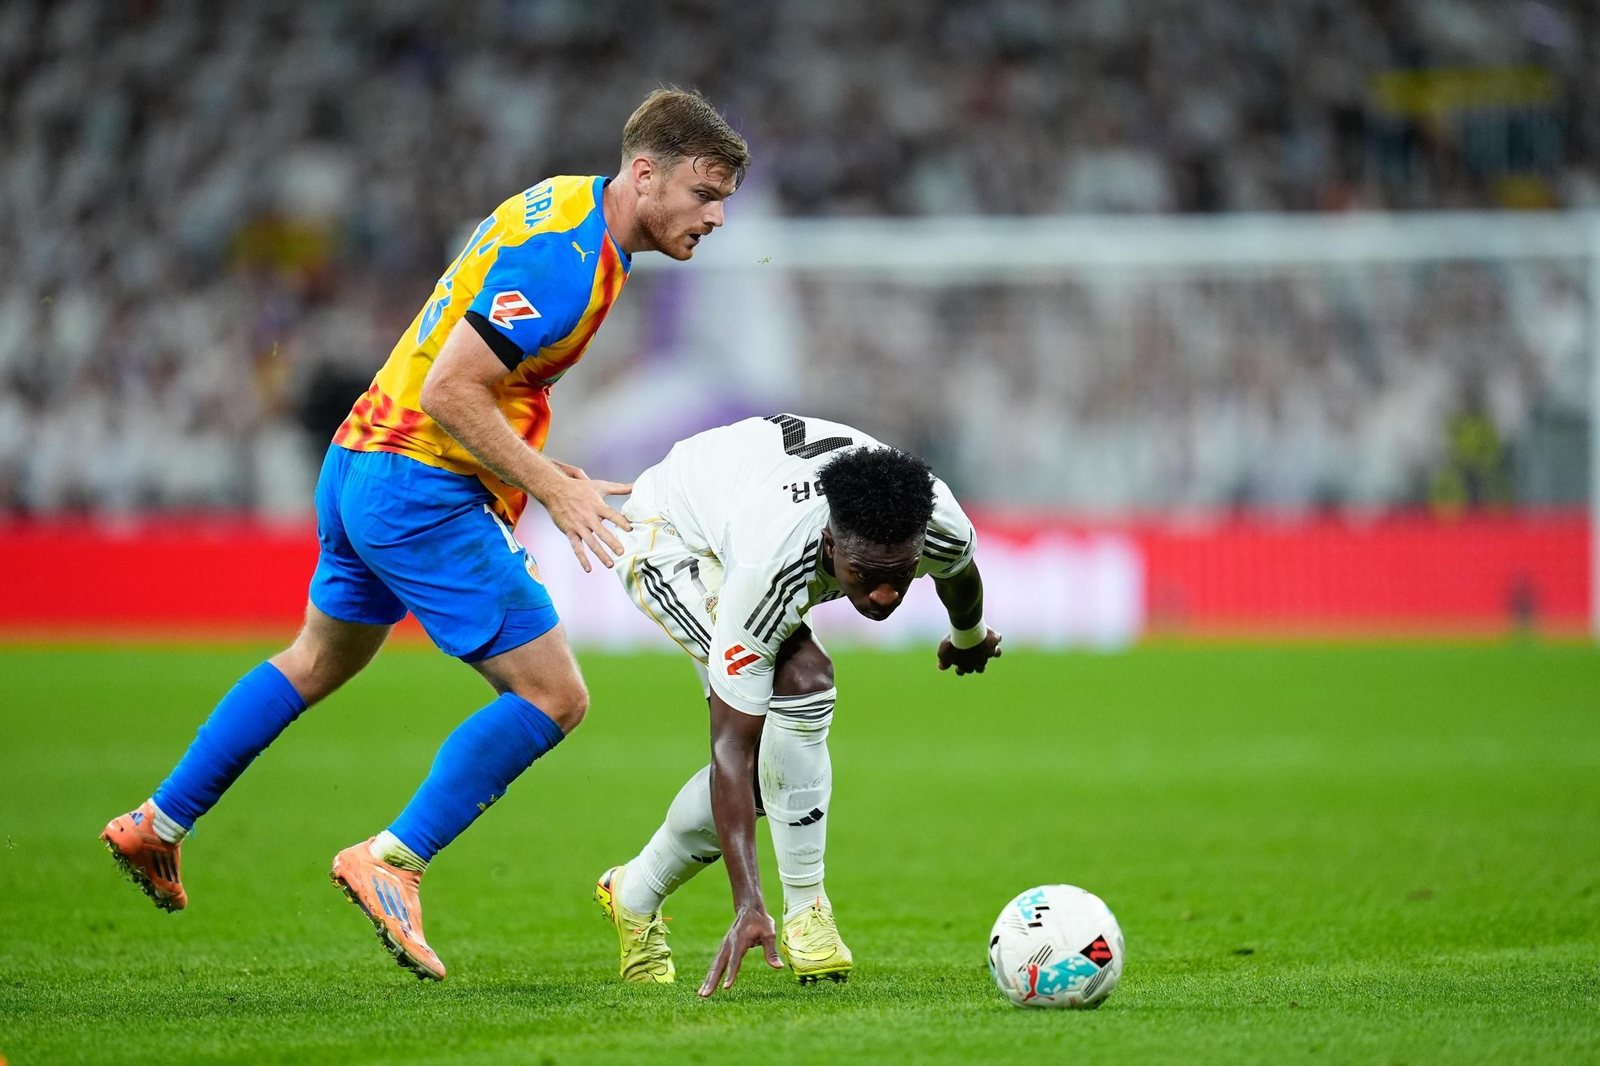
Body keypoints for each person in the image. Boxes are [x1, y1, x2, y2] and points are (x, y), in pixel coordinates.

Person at [99, 89, 750, 982]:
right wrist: (551, 486)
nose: (717, 218)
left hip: (360, 461)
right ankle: (393, 859)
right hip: (418, 483)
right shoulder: (569, 261)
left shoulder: (565, 200)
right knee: (554, 695)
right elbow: (453, 387)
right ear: (646, 175)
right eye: (705, 194)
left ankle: (159, 822)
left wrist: (537, 466)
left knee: (317, 661)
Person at [593, 414, 1003, 994]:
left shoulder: (934, 517)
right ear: (832, 543)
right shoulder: (769, 565)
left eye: (900, 576)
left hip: (745, 494)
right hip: (674, 533)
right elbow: (731, 744)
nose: (884, 597)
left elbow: (958, 574)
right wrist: (747, 902)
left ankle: (633, 894)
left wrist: (969, 637)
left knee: (779, 767)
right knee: (802, 684)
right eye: (865, 576)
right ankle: (807, 912)